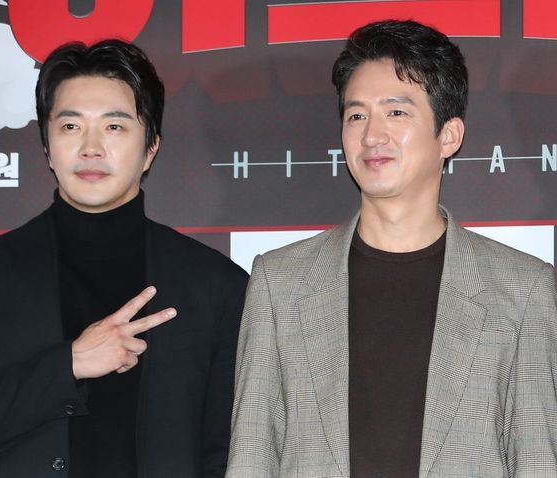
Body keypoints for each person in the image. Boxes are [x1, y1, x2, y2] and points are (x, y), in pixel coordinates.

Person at [227, 19, 557, 477]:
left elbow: (538, 461)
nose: (371, 136)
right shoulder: (279, 283)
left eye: (396, 112)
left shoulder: (523, 290)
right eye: (357, 115)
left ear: (449, 136)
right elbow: (251, 457)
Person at [0, 39, 248, 478]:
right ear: (46, 146)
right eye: (71, 126)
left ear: (151, 148)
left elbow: (232, 454)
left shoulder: (216, 285)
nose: (91, 147)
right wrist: (69, 365)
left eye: (114, 127)